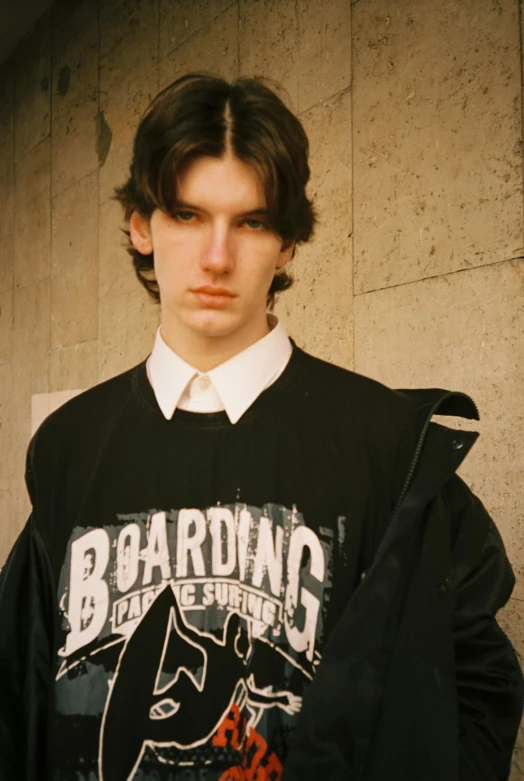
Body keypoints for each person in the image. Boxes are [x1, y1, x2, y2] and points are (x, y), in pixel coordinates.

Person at [0, 71, 522, 781]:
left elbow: (477, 689)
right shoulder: (65, 445)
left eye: (250, 221)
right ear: (140, 226)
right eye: (187, 215)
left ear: (287, 244)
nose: (218, 257)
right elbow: (17, 691)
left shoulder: (390, 444)